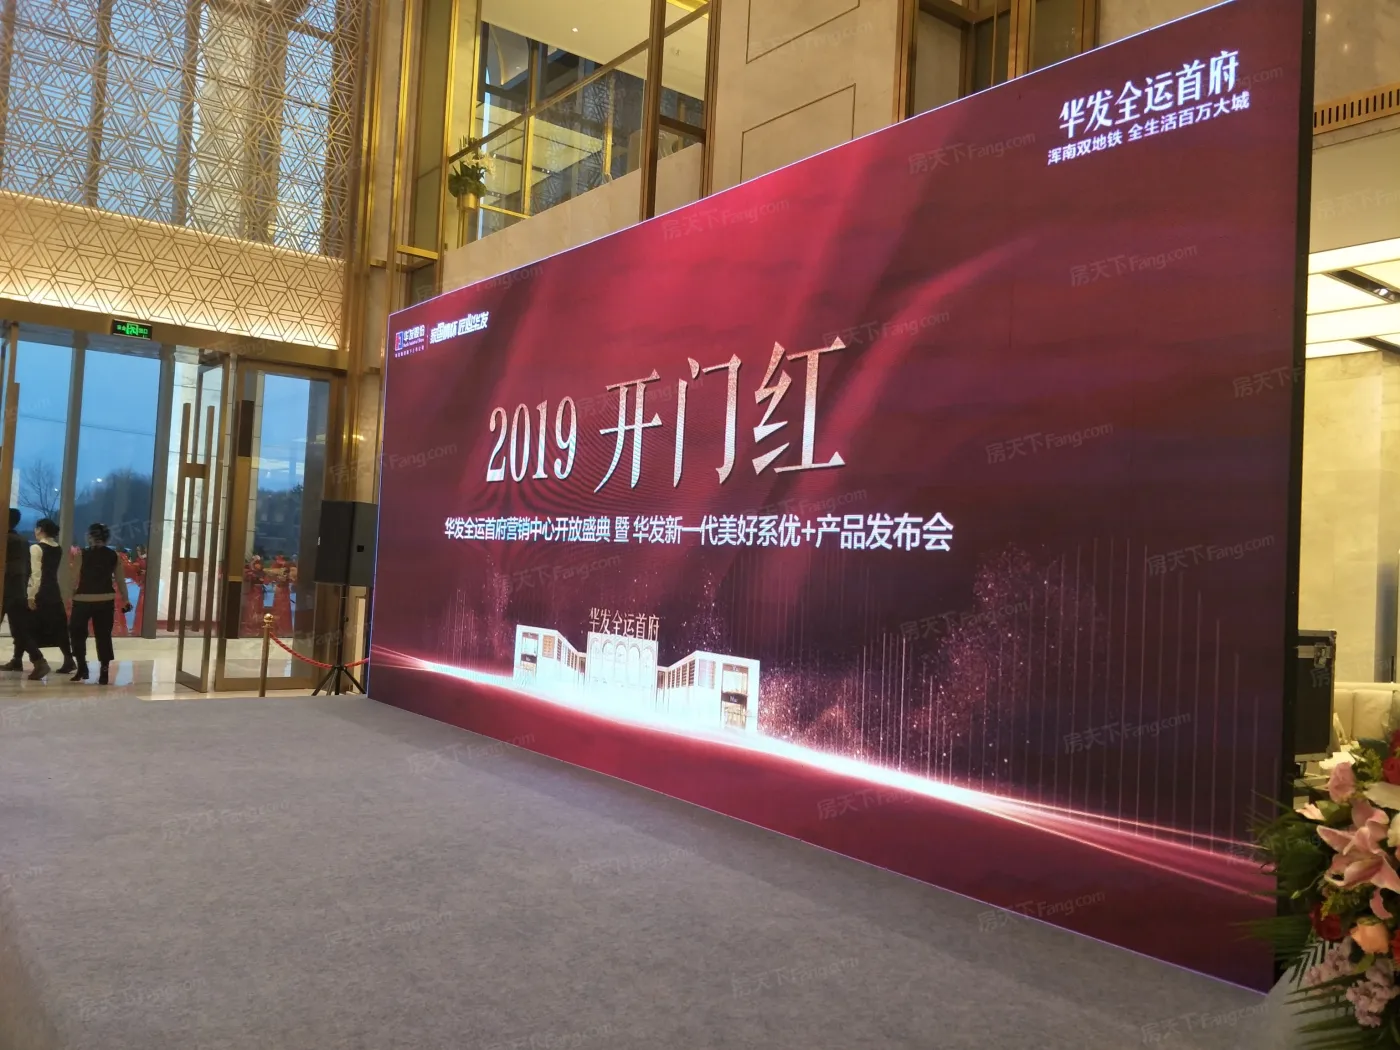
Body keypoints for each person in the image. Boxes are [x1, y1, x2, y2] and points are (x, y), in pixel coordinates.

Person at [69, 522, 130, 685]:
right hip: (105, 600)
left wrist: (70, 594)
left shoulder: (82, 554)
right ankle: (104, 672)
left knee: (77, 634)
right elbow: (120, 580)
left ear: (90, 536)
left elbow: (74, 578)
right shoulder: (114, 556)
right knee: (103, 636)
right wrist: (125, 599)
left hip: (83, 599)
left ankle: (82, 667)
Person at [26, 518, 76, 680]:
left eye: (36, 528)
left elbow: (36, 574)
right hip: (54, 590)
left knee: (26, 628)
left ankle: (35, 662)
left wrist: (31, 595)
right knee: (59, 627)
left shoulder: (36, 548)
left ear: (40, 529)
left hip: (41, 592)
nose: (35, 531)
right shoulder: (57, 548)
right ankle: (69, 660)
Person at [1, 509, 32, 672]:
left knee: (19, 629)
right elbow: (28, 567)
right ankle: (20, 659)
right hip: (19, 589)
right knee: (19, 628)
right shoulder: (24, 541)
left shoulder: (5, 540)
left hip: (5, 589)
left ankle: (37, 660)